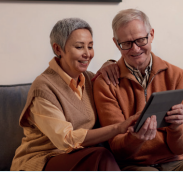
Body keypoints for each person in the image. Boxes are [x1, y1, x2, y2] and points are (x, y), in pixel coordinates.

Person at [93, 9, 183, 171]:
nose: (135, 49)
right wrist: (135, 138)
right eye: (126, 43)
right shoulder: (106, 83)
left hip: (178, 162)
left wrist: (176, 129)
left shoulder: (176, 75)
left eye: (141, 40)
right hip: (135, 165)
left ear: (151, 34)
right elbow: (118, 150)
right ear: (116, 43)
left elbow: (182, 148)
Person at [10, 18, 139, 171]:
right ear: (58, 49)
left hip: (83, 157)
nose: (87, 54)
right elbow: (65, 140)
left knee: (103, 156)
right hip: (43, 160)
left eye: (90, 46)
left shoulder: (91, 80)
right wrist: (118, 128)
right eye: (79, 47)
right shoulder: (43, 87)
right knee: (101, 156)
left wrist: (110, 64)